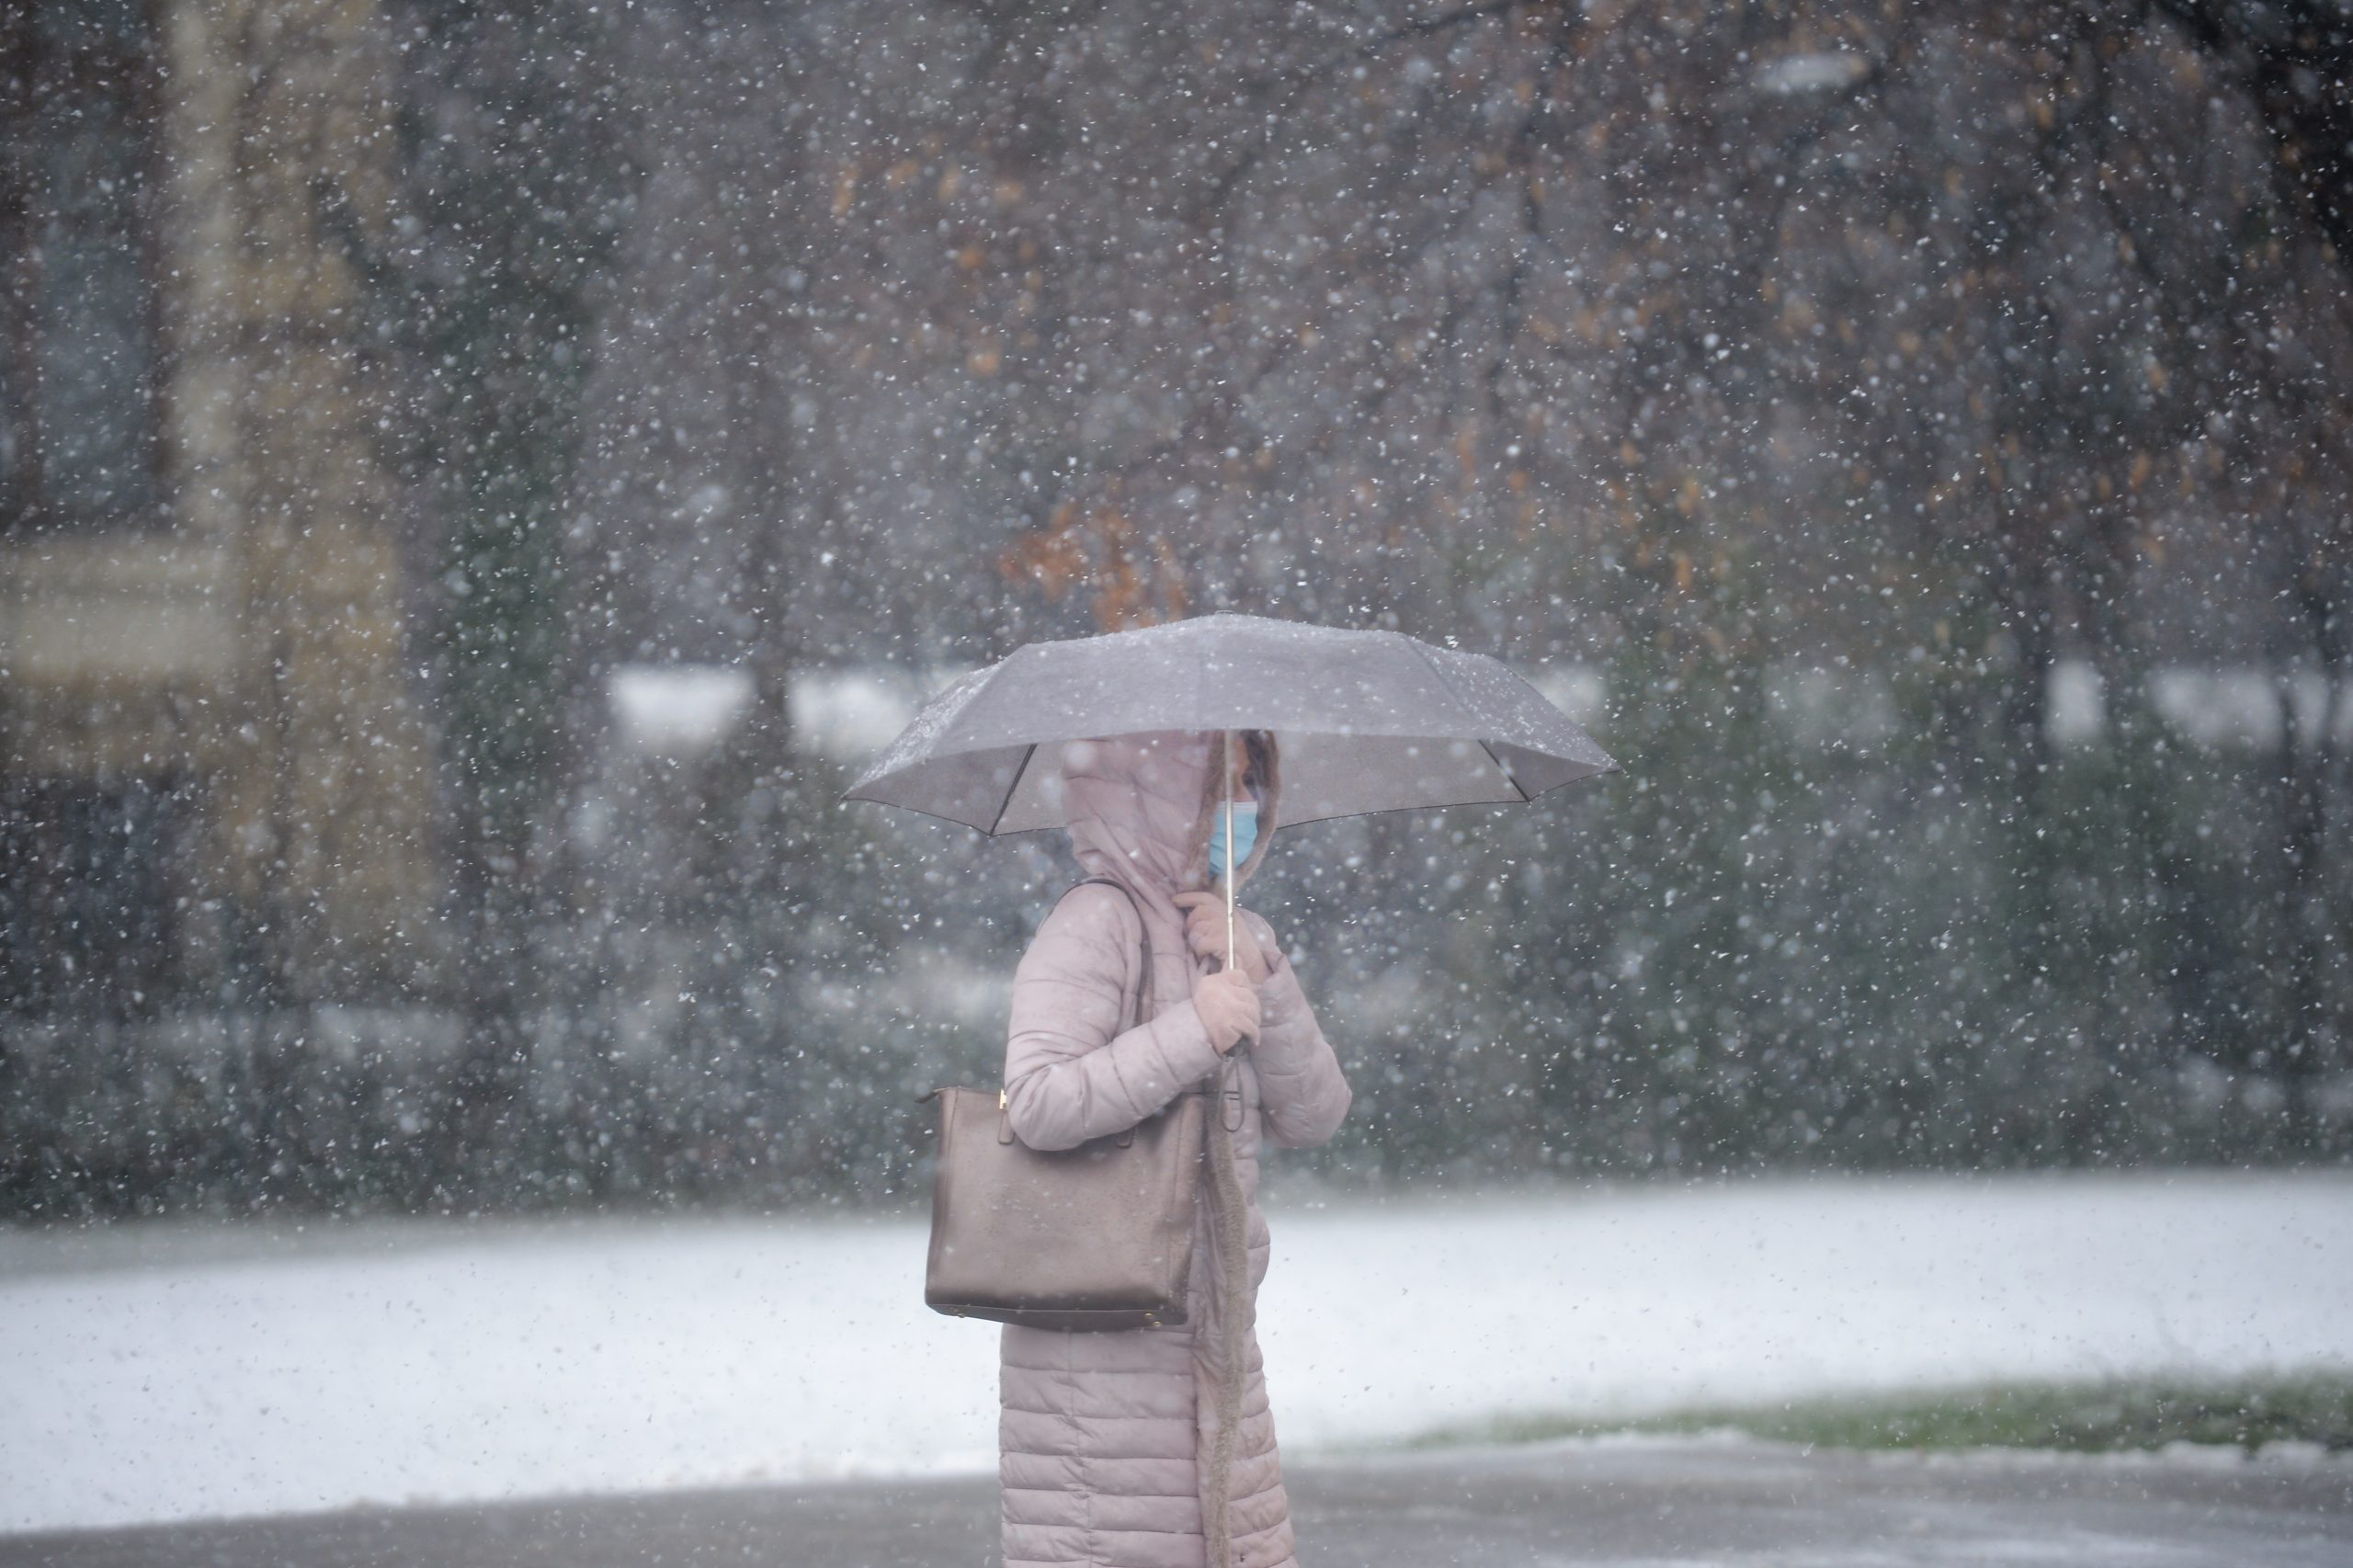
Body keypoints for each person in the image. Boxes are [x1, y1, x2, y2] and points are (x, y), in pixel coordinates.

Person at [997, 727, 1352, 1568]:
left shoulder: (1236, 934)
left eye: (1251, 784)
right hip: (1104, 1363)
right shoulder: (1095, 922)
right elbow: (1039, 1102)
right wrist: (1195, 1029)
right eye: (1222, 781)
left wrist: (1261, 983)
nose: (1244, 806)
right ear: (1157, 786)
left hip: (1216, 1337)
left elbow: (1317, 1115)